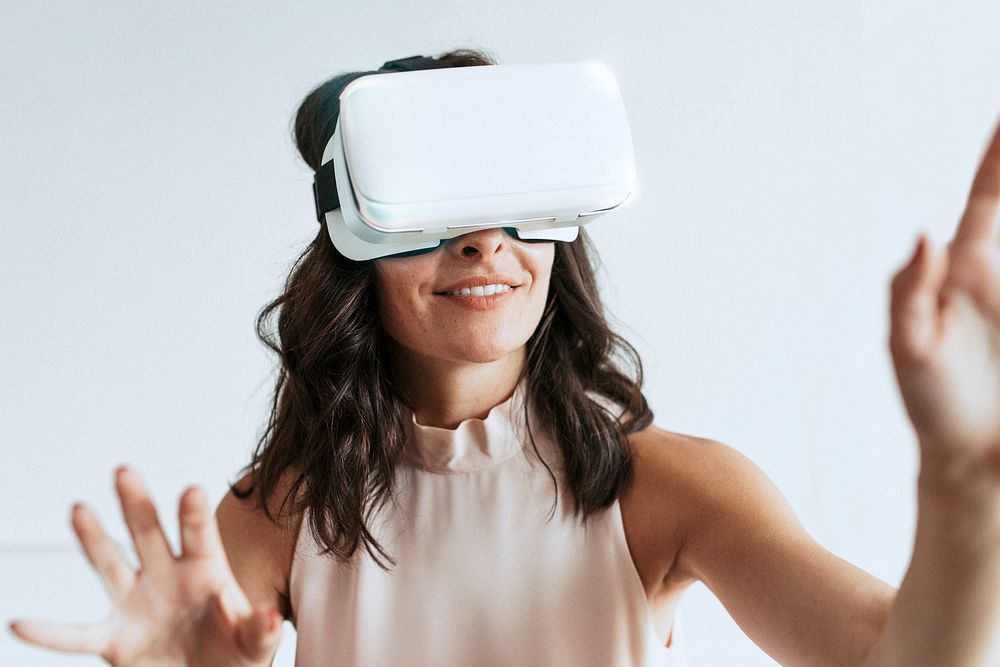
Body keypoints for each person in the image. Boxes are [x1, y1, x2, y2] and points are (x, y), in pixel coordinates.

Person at [9, 47, 1000, 666]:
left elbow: (895, 658)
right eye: (437, 206)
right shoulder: (283, 511)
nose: (484, 240)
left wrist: (966, 490)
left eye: (513, 197)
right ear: (354, 239)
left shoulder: (671, 488)